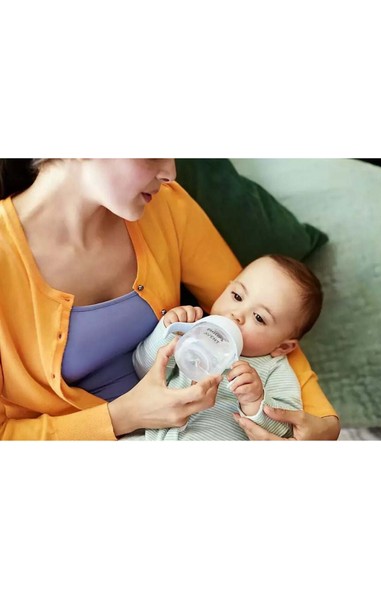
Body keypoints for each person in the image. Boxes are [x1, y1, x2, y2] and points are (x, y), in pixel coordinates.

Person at [0, 159, 340, 440]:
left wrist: (324, 422)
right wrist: (123, 416)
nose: (171, 172)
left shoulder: (164, 206)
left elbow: (260, 318)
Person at [130, 254, 323, 440]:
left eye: (259, 317)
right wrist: (166, 330)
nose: (236, 314)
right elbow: (143, 370)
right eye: (237, 296)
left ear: (283, 347)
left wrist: (255, 401)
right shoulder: (193, 331)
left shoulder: (275, 370)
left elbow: (286, 431)